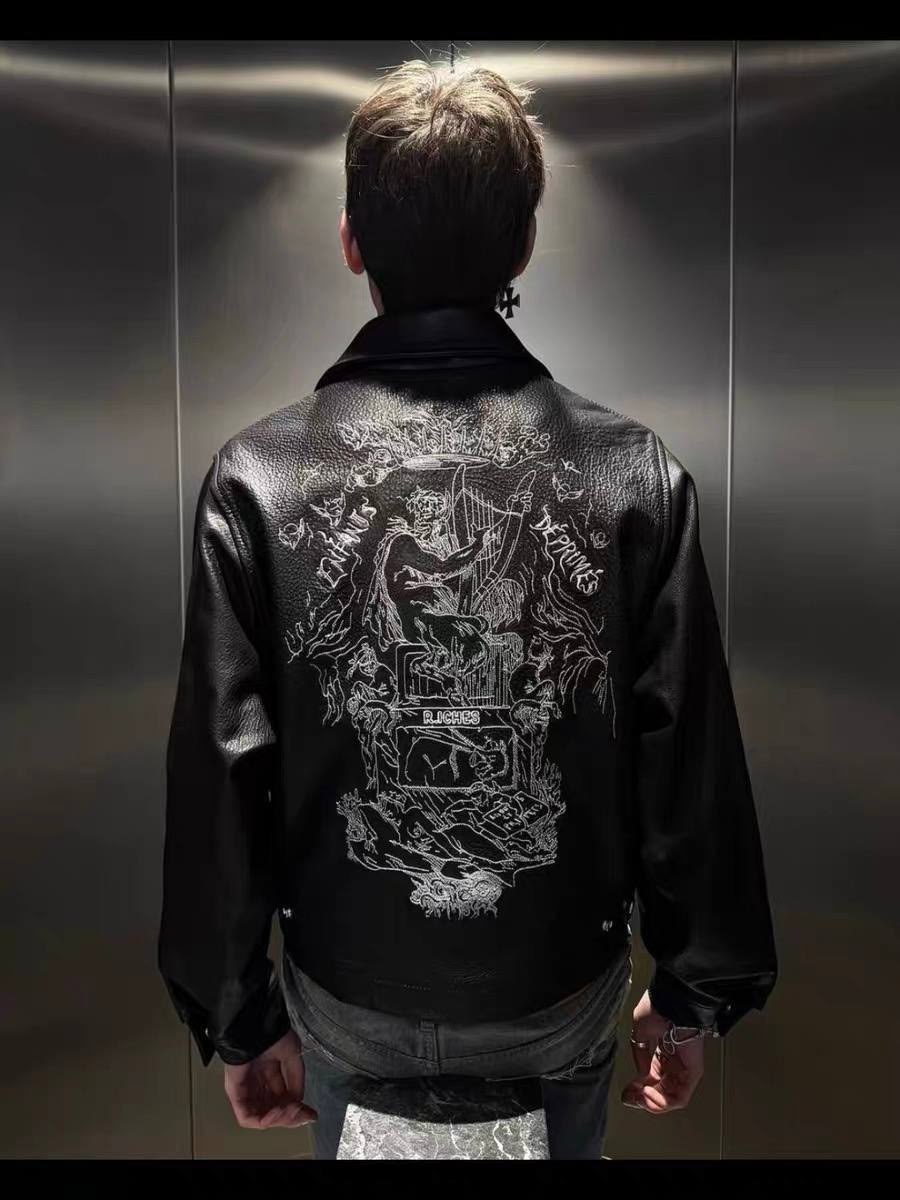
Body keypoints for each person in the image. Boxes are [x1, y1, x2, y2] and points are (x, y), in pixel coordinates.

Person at [158, 59, 777, 1160]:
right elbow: (686, 760)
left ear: (353, 241)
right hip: (556, 989)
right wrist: (691, 996)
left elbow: (222, 777)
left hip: (348, 990)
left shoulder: (256, 479)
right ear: (523, 244)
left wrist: (240, 1019)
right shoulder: (633, 476)